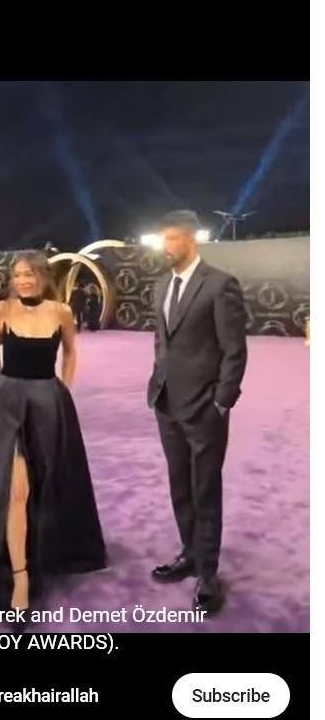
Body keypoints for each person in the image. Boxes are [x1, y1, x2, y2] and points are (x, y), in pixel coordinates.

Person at [0, 251, 106, 615]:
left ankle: (40, 550)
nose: (23, 281)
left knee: (45, 483)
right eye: (18, 275)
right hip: (5, 403)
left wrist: (63, 389)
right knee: (16, 488)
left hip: (47, 404)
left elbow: (70, 352)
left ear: (43, 277)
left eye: (30, 274)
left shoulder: (61, 312)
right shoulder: (2, 309)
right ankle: (20, 576)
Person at [147, 210, 247, 615]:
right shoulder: (161, 286)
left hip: (205, 407)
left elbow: (234, 349)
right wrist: (158, 383)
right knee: (180, 486)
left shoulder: (220, 285)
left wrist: (222, 400)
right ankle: (189, 553)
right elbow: (162, 342)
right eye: (164, 239)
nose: (166, 246)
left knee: (205, 489)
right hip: (167, 403)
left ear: (192, 239)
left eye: (173, 238)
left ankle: (208, 573)